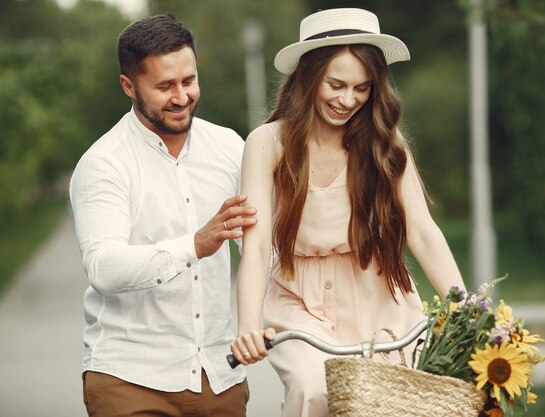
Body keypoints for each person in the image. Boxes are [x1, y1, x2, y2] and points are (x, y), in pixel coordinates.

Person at [230, 7, 467, 417]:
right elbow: (255, 246)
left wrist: (466, 311)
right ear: (308, 77)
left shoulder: (386, 145)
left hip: (378, 294)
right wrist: (248, 326)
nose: (347, 100)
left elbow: (423, 233)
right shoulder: (268, 144)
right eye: (335, 84)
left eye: (361, 88)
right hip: (298, 299)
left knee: (396, 402)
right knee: (312, 390)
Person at [69, 14, 257, 417]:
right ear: (128, 86)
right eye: (164, 86)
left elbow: (262, 250)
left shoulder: (229, 147)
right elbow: (103, 267)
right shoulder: (104, 163)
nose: (181, 96)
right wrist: (193, 245)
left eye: (188, 81)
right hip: (130, 380)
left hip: (221, 378)